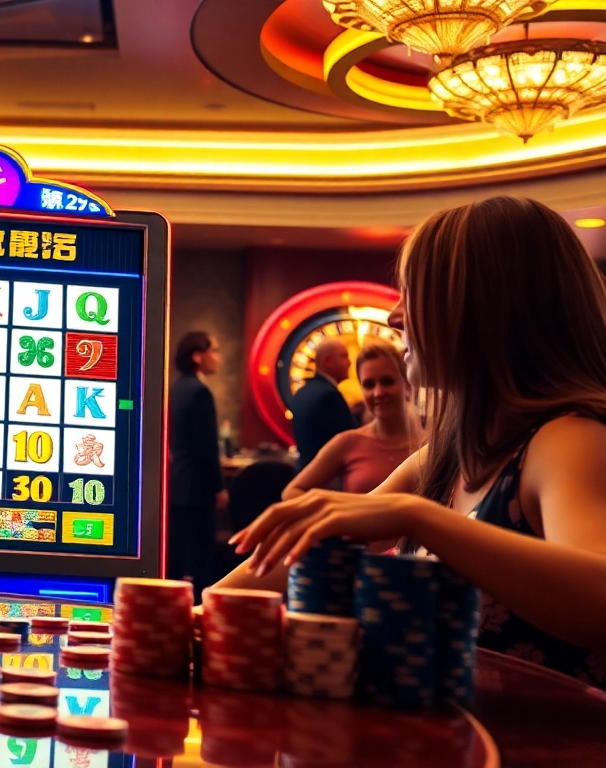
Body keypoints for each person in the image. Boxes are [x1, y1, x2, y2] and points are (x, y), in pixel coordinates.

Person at [226, 196, 606, 687]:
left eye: (414, 294)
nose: (394, 317)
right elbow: (318, 540)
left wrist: (417, 516)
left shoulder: (568, 437)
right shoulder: (446, 455)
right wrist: (206, 611)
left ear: (482, 308)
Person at [282, 341, 422, 499]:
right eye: (368, 385)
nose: (378, 393)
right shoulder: (347, 443)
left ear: (408, 384)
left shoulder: (429, 441)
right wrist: (337, 509)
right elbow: (291, 492)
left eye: (387, 381)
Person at [167, 330, 227, 591]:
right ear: (197, 356)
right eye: (214, 351)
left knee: (177, 558)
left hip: (177, 482)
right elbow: (205, 447)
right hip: (196, 487)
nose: (218, 358)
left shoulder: (177, 387)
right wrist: (219, 487)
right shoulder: (199, 391)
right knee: (201, 560)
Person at [289, 338, 357, 468]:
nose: (349, 362)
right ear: (328, 361)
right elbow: (349, 443)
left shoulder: (302, 392)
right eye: (344, 356)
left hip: (306, 472)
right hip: (327, 475)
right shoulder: (329, 396)